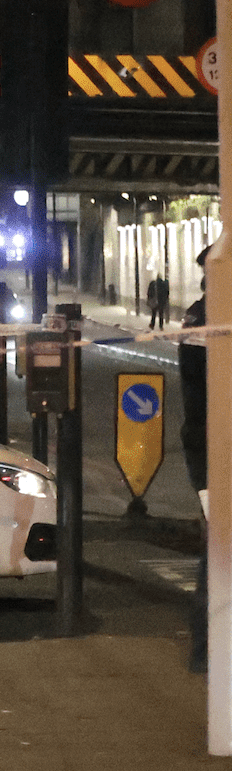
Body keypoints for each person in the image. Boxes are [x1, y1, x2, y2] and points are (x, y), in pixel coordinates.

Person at [182, 249, 210, 673]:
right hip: (212, 455)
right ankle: (205, 646)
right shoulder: (204, 321)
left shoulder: (199, 317)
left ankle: (205, 648)